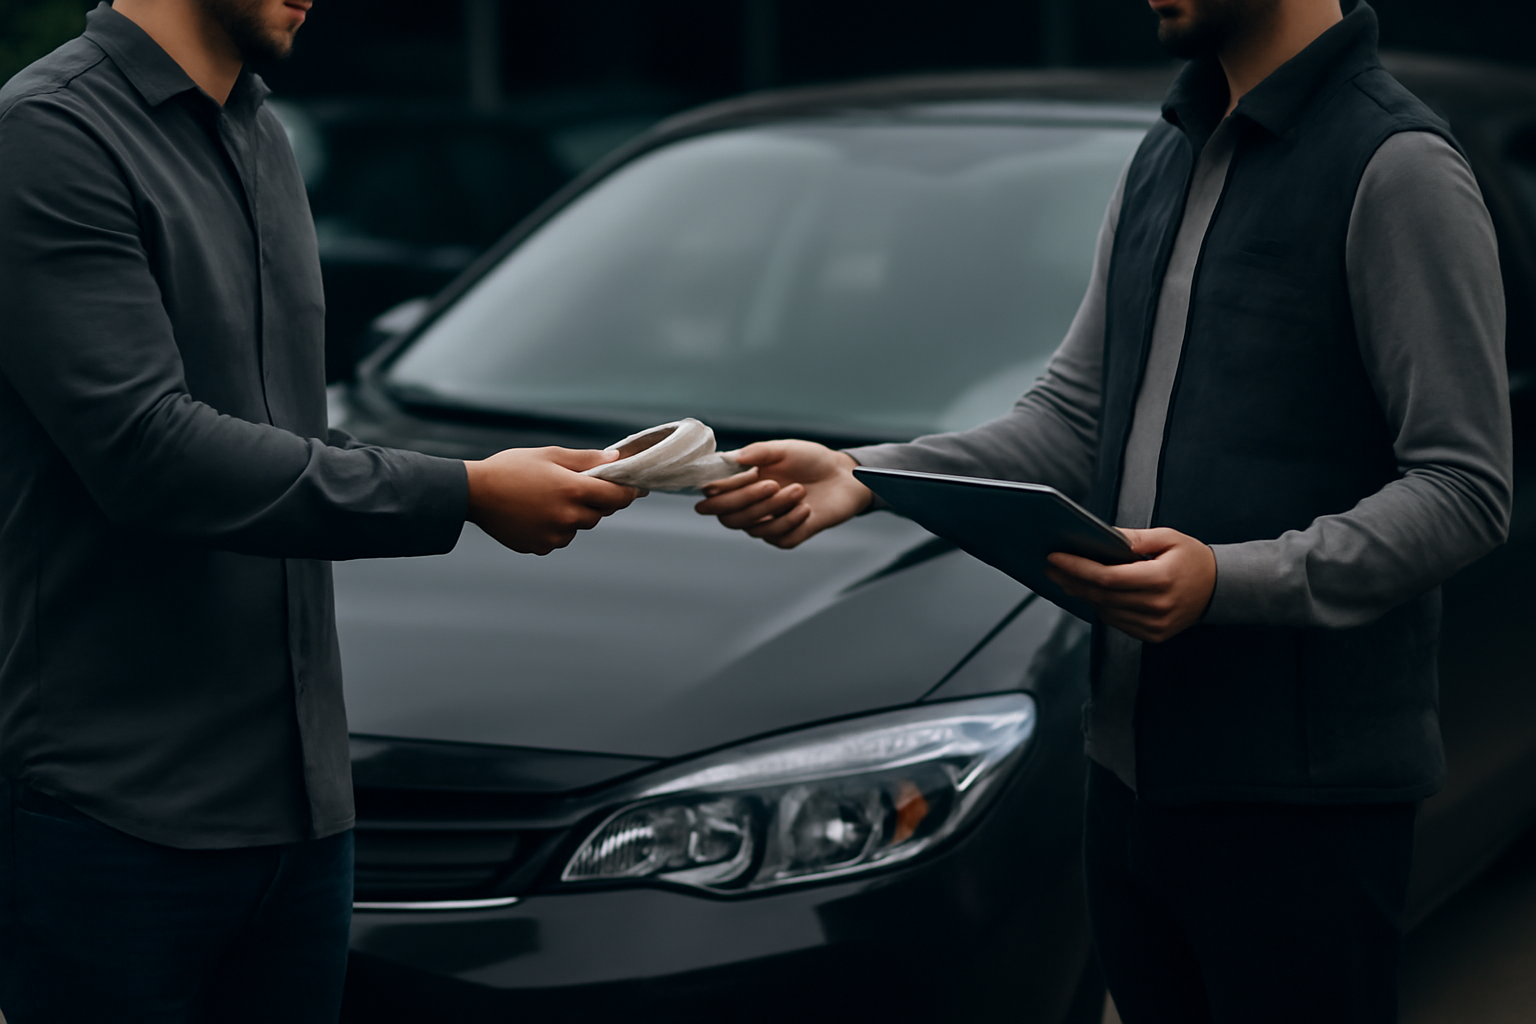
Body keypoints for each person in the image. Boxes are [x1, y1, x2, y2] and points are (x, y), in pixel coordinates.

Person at [698, 1, 1511, 1020]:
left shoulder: (1398, 167)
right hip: (1127, 782)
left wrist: (1226, 579)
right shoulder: (1162, 157)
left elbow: (1466, 488)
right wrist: (866, 477)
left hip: (1303, 807)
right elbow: (1074, 418)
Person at [0, 1, 640, 1021]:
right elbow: (150, 454)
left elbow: (284, 433)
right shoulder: (47, 132)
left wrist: (480, 471)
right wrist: (466, 494)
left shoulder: (263, 134)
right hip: (113, 813)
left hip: (302, 816)